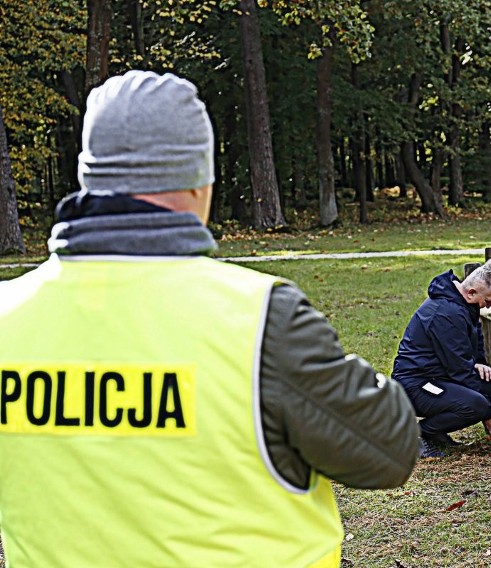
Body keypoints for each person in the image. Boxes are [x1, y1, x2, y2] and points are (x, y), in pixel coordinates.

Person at [0, 70, 419, 567]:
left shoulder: (8, 317)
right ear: (201, 182)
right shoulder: (262, 318)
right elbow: (389, 450)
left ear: (89, 175)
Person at [392, 264, 491, 459]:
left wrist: (480, 362)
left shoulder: (463, 303)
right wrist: (488, 412)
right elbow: (460, 370)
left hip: (440, 375)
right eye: (488, 300)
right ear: (472, 293)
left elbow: (475, 337)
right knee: (477, 405)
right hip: (417, 384)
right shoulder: (446, 314)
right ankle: (418, 434)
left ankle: (436, 430)